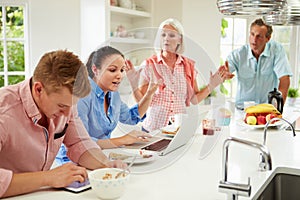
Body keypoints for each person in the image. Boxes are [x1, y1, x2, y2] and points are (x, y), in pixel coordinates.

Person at [0, 50, 126, 198]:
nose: (67, 114)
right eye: (61, 106)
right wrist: (48, 177)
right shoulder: (4, 113)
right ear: (38, 89)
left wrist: (105, 164)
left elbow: (79, 142)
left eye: (71, 106)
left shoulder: (66, 104)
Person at [55, 46, 160, 164]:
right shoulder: (82, 95)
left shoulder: (113, 94)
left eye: (122, 70)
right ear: (95, 69)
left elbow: (132, 117)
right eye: (112, 70)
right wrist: (123, 140)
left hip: (101, 154)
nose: (119, 75)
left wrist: (150, 92)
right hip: (73, 161)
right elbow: (81, 142)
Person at [130, 18, 232, 132]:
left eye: (171, 35)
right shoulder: (150, 64)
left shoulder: (188, 66)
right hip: (153, 130)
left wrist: (212, 85)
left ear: (180, 39)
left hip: (177, 131)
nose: (166, 39)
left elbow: (193, 99)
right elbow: (141, 102)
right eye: (163, 35)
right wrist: (134, 85)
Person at [223, 18, 292, 109]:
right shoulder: (238, 54)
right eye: (252, 34)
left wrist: (278, 109)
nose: (254, 40)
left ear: (268, 38)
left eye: (259, 36)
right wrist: (225, 75)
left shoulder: (276, 50)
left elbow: (284, 80)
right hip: (243, 109)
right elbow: (226, 70)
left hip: (266, 110)